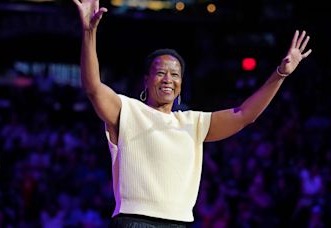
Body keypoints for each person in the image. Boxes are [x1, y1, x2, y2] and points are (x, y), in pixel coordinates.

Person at [71, 0, 312, 227]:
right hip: (134, 221)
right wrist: (88, 33)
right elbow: (93, 88)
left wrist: (280, 73)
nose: (168, 79)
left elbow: (245, 115)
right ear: (146, 80)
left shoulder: (194, 122)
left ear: (181, 85)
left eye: (175, 75)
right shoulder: (128, 110)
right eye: (160, 73)